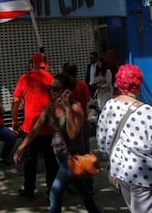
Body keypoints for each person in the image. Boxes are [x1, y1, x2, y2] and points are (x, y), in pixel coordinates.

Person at [13, 73, 101, 213]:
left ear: (66, 90)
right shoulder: (49, 108)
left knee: (55, 194)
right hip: (60, 157)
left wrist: (67, 109)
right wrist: (21, 148)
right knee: (83, 192)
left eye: (56, 89)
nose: (52, 92)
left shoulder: (75, 107)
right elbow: (35, 129)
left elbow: (72, 134)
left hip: (72, 157)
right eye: (50, 88)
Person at [97, 64, 152, 212]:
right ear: (139, 84)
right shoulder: (147, 111)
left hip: (119, 170)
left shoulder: (109, 105)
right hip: (143, 173)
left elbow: (102, 143)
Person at [11, 52, 59, 199]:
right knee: (51, 161)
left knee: (30, 161)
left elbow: (15, 101)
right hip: (49, 127)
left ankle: (29, 189)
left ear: (33, 63)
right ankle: (52, 189)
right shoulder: (52, 79)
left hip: (30, 126)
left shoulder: (25, 79)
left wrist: (14, 120)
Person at [62, 62, 94, 193]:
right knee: (85, 154)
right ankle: (89, 184)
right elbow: (87, 98)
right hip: (85, 122)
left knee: (75, 156)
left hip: (73, 124)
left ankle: (77, 185)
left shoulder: (68, 89)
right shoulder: (82, 85)